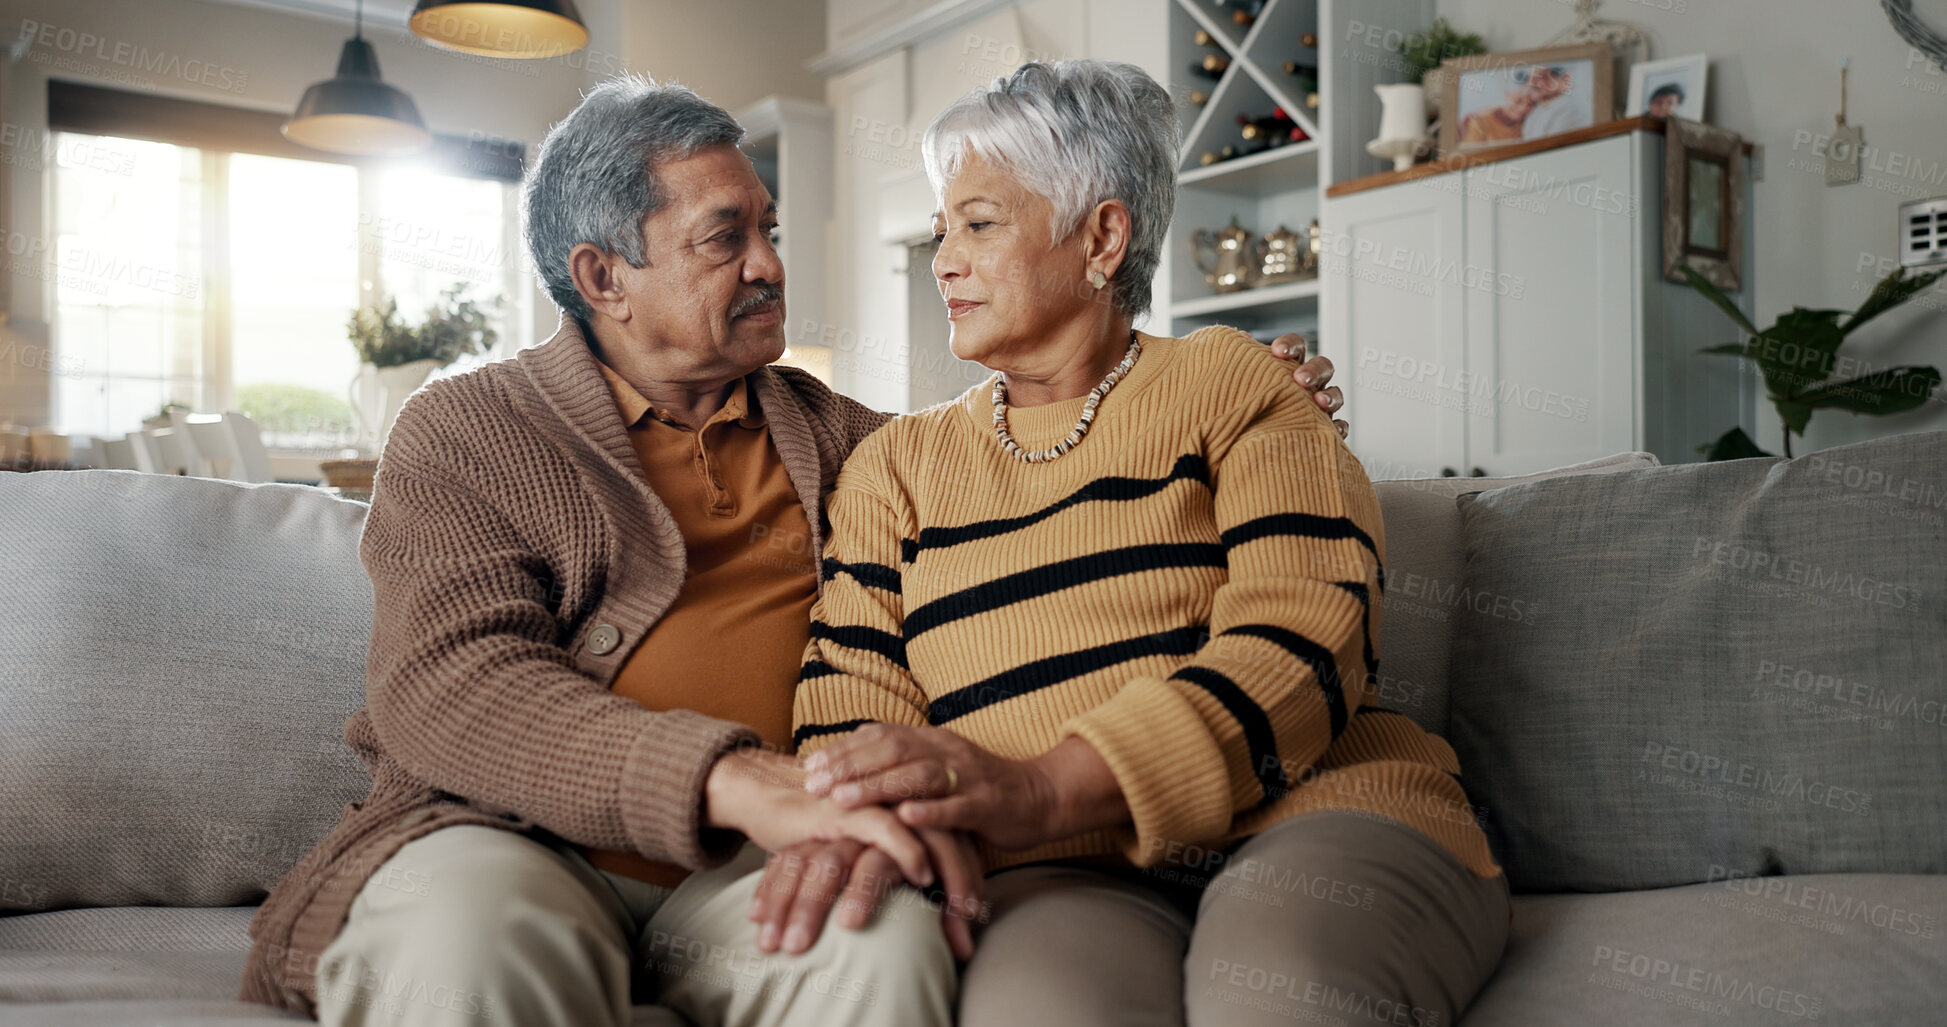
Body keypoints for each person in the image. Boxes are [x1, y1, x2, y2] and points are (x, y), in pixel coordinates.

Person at [237, 75, 1343, 1027]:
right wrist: (736, 778)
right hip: (510, 841)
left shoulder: (850, 440)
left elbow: (1038, 464)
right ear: (603, 275)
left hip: (762, 861)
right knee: (472, 948)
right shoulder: (467, 430)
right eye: (727, 238)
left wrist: (1236, 394)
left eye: (768, 226)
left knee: (879, 947)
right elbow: (450, 687)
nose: (770, 262)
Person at [782, 60, 1510, 1027]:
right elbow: (851, 701)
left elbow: (1304, 638)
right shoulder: (895, 467)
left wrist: (1046, 785)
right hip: (1057, 865)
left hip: (1311, 811)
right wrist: (886, 816)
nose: (943, 259)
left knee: (1276, 994)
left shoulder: (1236, 385)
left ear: (1102, 235)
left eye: (980, 224)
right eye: (940, 228)